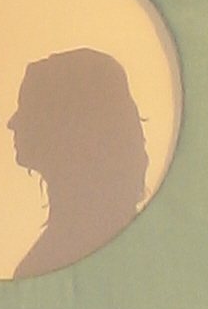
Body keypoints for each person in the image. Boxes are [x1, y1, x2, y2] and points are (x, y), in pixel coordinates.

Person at [8, 48, 148, 279]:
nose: (12, 122)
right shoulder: (121, 241)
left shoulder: (69, 254)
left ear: (64, 122)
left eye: (28, 109)